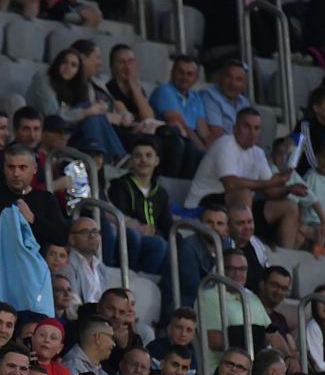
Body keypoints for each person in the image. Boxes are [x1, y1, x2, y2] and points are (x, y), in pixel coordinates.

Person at [185, 109, 305, 253]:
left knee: (290, 206)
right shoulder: (225, 144)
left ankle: (285, 258)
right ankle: (246, 249)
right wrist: (272, 182)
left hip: (239, 209)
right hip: (204, 204)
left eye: (256, 128)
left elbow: (270, 191)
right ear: (235, 128)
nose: (251, 132)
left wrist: (288, 188)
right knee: (243, 192)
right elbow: (231, 183)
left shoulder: (258, 152)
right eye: (246, 126)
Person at [0, 144, 69, 256]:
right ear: (4, 168)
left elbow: (61, 237)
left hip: (32, 269)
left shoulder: (46, 199)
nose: (16, 173)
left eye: (22, 167)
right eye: (11, 167)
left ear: (34, 169)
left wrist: (33, 219)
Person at [106, 136, 171, 276]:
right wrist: (139, 228)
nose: (144, 160)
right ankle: (130, 276)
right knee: (144, 239)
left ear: (156, 160)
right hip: (127, 235)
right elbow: (119, 215)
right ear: (131, 161)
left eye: (148, 156)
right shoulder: (120, 185)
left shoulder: (161, 192)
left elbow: (166, 223)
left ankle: (146, 280)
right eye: (138, 156)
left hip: (151, 237)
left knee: (169, 245)